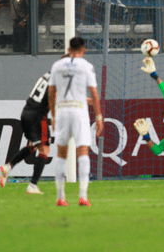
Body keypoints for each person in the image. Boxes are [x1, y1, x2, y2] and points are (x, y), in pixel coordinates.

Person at [49, 37, 105, 207]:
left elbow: (51, 92)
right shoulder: (86, 66)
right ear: (83, 48)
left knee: (61, 153)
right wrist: (98, 116)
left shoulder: (57, 66)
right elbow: (94, 93)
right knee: (83, 151)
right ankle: (83, 196)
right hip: (79, 110)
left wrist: (53, 115)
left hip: (63, 111)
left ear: (68, 47)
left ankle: (61, 197)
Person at [0, 71, 53, 195]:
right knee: (44, 150)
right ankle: (33, 185)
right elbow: (53, 98)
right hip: (38, 116)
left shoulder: (47, 75)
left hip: (26, 112)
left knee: (32, 146)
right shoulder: (58, 79)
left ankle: (8, 166)